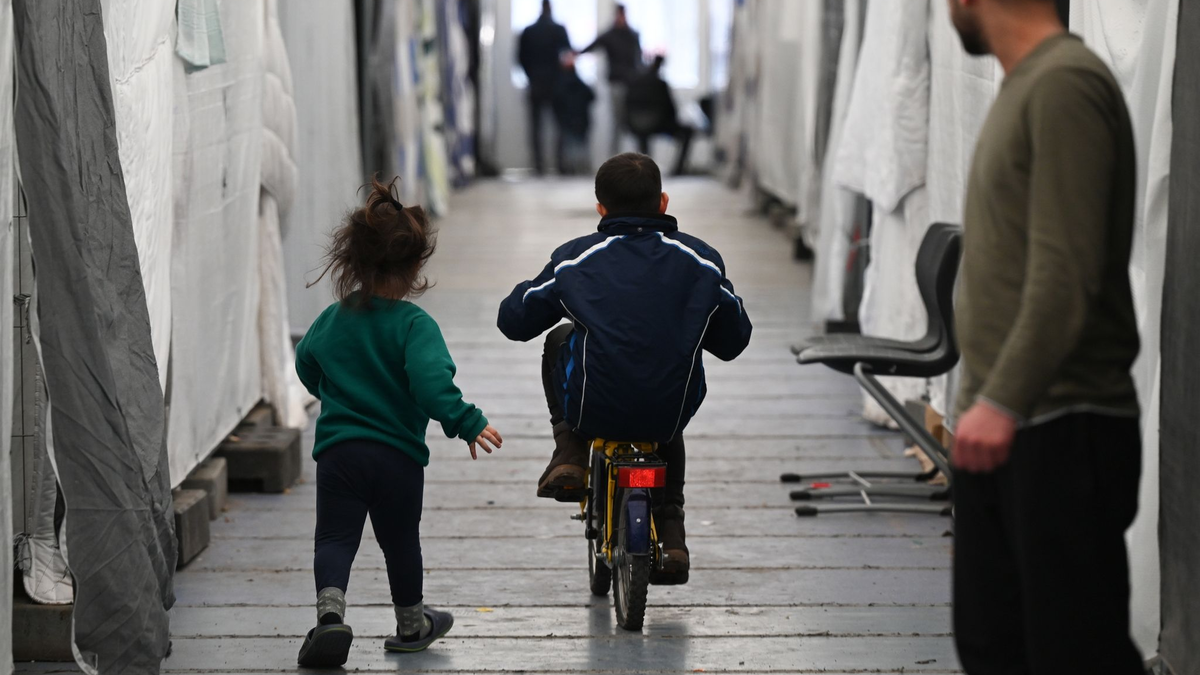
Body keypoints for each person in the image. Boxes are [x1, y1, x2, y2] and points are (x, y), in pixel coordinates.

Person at [946, 1, 1143, 673]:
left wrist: (1002, 399)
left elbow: (1067, 269)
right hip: (1014, 424)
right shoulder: (1028, 84)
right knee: (996, 644)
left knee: (1072, 648)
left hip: (1060, 423)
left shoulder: (1065, 84)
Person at [496, 153, 753, 582]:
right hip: (669, 409)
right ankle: (671, 530)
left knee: (558, 339)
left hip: (592, 407)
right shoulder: (701, 262)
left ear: (600, 209)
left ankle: (570, 450)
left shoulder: (576, 260)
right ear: (663, 203)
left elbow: (514, 321)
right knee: (671, 378)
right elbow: (734, 340)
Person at [293, 177, 503, 667]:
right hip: (398, 458)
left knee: (335, 537)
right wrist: (466, 421)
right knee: (400, 541)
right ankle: (411, 624)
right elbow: (430, 386)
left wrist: (336, 394)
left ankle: (330, 619)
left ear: (357, 263)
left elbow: (305, 363)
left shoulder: (332, 318)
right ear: (414, 267)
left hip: (340, 453)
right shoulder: (415, 326)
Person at [518, 0, 571, 175]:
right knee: (560, 125)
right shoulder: (558, 30)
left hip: (536, 82)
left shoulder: (529, 31)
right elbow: (567, 55)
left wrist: (531, 75)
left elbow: (520, 58)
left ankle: (538, 165)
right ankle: (560, 163)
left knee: (536, 126)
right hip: (556, 83)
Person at [580, 4, 642, 154]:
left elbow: (638, 59)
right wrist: (574, 54)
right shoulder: (609, 35)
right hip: (616, 83)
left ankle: (639, 160)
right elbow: (591, 46)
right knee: (617, 122)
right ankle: (615, 158)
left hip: (633, 84)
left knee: (634, 122)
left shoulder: (633, 35)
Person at [626, 55, 695, 176]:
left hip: (635, 125)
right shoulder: (660, 84)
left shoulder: (634, 82)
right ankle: (678, 170)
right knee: (688, 132)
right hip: (657, 124)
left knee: (643, 136)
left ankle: (644, 171)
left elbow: (625, 107)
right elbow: (671, 109)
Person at [552, 52, 596, 175]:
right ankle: (582, 167)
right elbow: (592, 96)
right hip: (582, 119)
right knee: (580, 145)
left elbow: (556, 102)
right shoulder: (581, 84)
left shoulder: (559, 84)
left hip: (566, 120)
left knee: (568, 145)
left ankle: (569, 168)